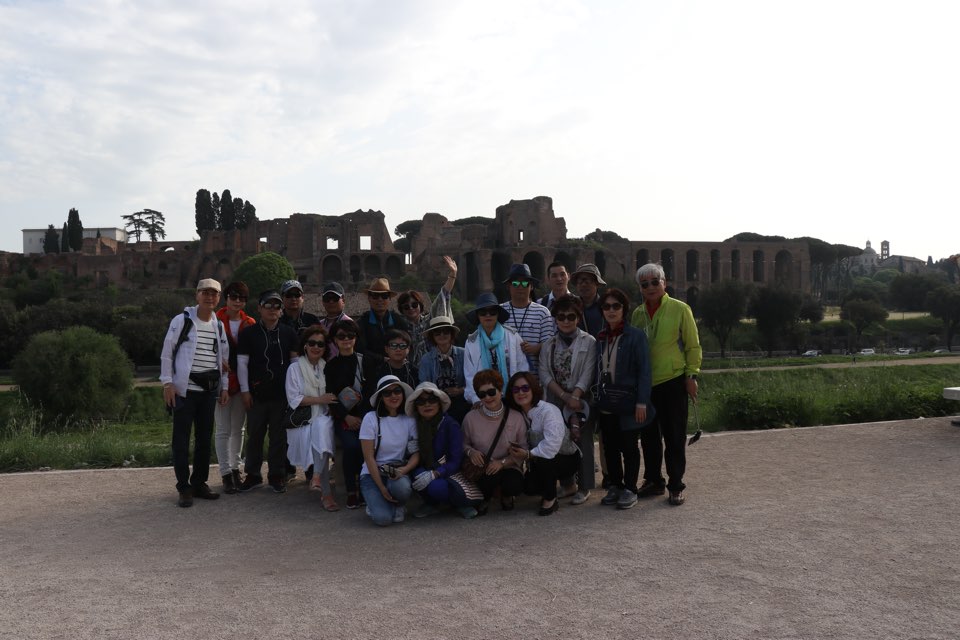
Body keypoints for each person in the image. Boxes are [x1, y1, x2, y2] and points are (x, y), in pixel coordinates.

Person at [630, 263, 702, 506]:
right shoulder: (638, 314)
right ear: (640, 288)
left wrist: (691, 375)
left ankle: (676, 484)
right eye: (644, 284)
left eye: (654, 282)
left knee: (674, 436)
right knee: (648, 437)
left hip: (673, 381)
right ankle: (654, 480)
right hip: (646, 384)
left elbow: (693, 345)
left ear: (664, 283)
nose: (650, 287)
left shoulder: (680, 308)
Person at [160, 278, 230, 508]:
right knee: (181, 440)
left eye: (214, 294)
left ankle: (199, 483)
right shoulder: (182, 321)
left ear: (218, 298)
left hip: (208, 391)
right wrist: (167, 384)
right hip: (184, 391)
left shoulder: (218, 325)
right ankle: (184, 487)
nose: (210, 297)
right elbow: (167, 353)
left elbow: (224, 360)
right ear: (197, 295)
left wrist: (224, 387)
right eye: (205, 293)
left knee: (204, 439)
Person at [595, 287, 653, 511]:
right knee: (610, 447)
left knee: (629, 446)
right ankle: (616, 486)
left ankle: (630, 488)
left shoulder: (635, 336)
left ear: (624, 309)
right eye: (606, 306)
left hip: (629, 401)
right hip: (607, 401)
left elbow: (644, 371)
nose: (611, 310)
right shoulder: (601, 338)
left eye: (616, 306)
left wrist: (642, 402)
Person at [236, 290, 299, 493]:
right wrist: (245, 391)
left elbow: (295, 363)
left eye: (277, 306)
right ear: (259, 308)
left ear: (281, 310)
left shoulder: (289, 332)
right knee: (255, 435)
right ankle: (253, 474)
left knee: (279, 437)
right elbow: (242, 364)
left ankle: (276, 474)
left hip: (281, 393)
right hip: (257, 393)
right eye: (268, 305)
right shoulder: (248, 333)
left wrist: (294, 391)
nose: (273, 309)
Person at [538, 294, 597, 505]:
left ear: (578, 318)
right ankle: (567, 483)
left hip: (581, 399)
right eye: (561, 317)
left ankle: (585, 486)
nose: (565, 321)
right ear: (555, 318)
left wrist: (576, 395)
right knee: (560, 441)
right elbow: (544, 373)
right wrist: (563, 396)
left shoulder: (589, 341)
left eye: (571, 316)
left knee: (583, 441)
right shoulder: (549, 344)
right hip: (557, 398)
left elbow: (589, 371)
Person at [505, 373, 580, 516]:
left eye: (525, 388)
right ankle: (548, 488)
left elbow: (551, 446)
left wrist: (528, 454)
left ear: (533, 389)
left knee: (545, 459)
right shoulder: (517, 413)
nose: (521, 393)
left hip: (566, 458)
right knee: (529, 488)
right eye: (515, 389)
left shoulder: (548, 410)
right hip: (538, 460)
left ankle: (550, 499)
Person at [405, 382, 483, 519]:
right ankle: (431, 503)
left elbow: (456, 461)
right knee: (416, 475)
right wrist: (410, 451)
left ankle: (459, 504)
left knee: (437, 487)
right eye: (421, 402)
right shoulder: (414, 425)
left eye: (432, 400)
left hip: (450, 471)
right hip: (427, 468)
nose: (427, 404)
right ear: (416, 406)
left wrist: (436, 473)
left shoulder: (450, 424)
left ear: (439, 403)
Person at [325, 318, 379, 509]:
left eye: (350, 335)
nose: (346, 339)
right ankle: (351, 491)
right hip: (343, 417)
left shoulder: (367, 361)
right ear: (334, 340)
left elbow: (372, 392)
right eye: (341, 336)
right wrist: (346, 417)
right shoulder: (330, 366)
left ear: (356, 338)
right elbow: (331, 397)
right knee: (351, 446)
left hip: (366, 416)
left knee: (366, 447)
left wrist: (363, 417)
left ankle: (365, 488)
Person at [284, 325, 339, 511]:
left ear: (325, 348)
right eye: (312, 343)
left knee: (322, 426)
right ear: (305, 345)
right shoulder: (294, 368)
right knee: (320, 428)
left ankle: (317, 479)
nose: (316, 347)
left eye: (320, 344)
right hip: (303, 420)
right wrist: (320, 400)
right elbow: (294, 399)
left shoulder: (328, 368)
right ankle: (325, 492)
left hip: (325, 416)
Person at [461, 369, 528, 512]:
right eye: (482, 394)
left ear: (500, 391)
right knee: (487, 480)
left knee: (514, 484)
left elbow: (523, 449)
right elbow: (463, 443)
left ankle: (506, 495)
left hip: (509, 465)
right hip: (483, 467)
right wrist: (471, 452)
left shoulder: (516, 417)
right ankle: (486, 497)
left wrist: (502, 463)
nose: (487, 397)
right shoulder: (470, 418)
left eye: (491, 392)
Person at [359, 375, 420, 526]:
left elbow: (416, 453)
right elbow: (369, 457)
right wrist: (381, 487)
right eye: (387, 393)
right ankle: (378, 504)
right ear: (381, 397)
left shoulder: (409, 419)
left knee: (402, 488)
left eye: (397, 391)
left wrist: (404, 470)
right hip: (372, 473)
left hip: (396, 470)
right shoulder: (370, 418)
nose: (393, 396)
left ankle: (398, 504)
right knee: (383, 519)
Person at [214, 281, 256, 494]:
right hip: (221, 382)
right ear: (226, 298)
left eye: (241, 298)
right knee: (223, 429)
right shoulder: (214, 320)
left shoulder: (250, 323)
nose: (237, 301)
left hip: (242, 382)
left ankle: (235, 469)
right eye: (233, 297)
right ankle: (225, 473)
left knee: (238, 429)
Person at [463, 292, 529, 404]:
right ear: (478, 316)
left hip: (512, 396)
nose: (488, 315)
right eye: (483, 312)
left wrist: (519, 393)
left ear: (498, 314)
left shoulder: (512, 336)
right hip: (484, 399)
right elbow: (469, 376)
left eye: (492, 312)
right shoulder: (471, 342)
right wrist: (476, 400)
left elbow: (522, 367)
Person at [398, 255, 458, 369]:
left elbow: (442, 296)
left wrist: (452, 275)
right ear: (402, 310)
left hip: (433, 368)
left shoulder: (429, 321)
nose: (411, 308)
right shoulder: (399, 325)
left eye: (414, 305)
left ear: (420, 306)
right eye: (406, 307)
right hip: (409, 370)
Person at [500, 263, 554, 373]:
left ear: (531, 286)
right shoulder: (499, 311)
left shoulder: (542, 312)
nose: (520, 287)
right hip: (505, 377)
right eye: (515, 283)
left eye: (525, 283)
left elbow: (550, 345)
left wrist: (535, 349)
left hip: (534, 378)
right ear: (508, 286)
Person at [418, 316, 468, 422]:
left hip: (462, 404)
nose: (442, 335)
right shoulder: (426, 359)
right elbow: (424, 385)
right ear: (432, 337)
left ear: (451, 334)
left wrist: (460, 390)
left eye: (446, 332)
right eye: (437, 333)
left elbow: (472, 380)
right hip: (437, 406)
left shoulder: (464, 354)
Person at [357, 277, 412, 360]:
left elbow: (408, 345)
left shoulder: (399, 321)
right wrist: (383, 359)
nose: (380, 299)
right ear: (369, 298)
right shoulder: (361, 323)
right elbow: (361, 350)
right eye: (375, 296)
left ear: (390, 299)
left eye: (384, 296)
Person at [570, 263, 606, 338]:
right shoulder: (571, 306)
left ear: (597, 283)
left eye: (587, 281)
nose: (583, 285)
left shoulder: (606, 306)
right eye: (580, 281)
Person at [318, 281, 351, 359]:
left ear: (343, 300)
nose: (331, 301)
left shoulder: (349, 324)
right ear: (322, 302)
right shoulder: (319, 325)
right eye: (327, 298)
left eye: (335, 298)